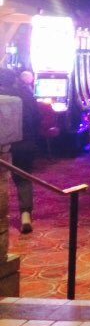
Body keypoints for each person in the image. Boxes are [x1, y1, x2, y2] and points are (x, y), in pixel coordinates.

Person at [0, 69, 40, 233]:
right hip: (23, 142)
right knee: (23, 179)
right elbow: (37, 118)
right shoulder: (25, 94)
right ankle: (25, 215)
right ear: (15, 80)